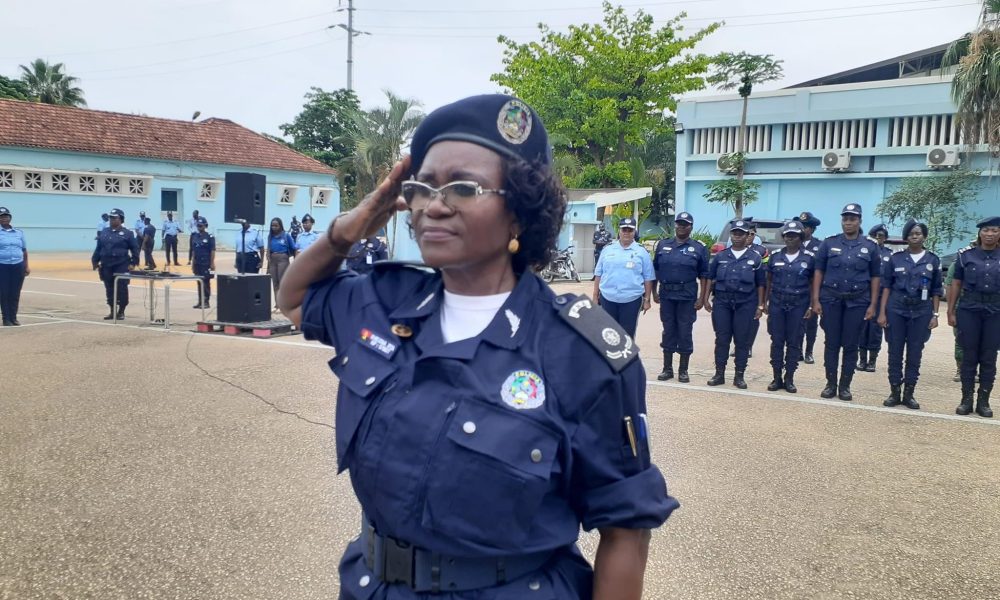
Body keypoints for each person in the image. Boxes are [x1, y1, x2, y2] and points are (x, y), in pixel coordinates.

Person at [276, 94, 676, 600]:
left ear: (519, 214)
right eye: (421, 188)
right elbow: (294, 299)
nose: (433, 205)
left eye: (463, 188)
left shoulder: (579, 352)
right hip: (371, 586)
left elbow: (625, 528)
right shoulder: (386, 299)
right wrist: (350, 227)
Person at [811, 203, 881, 401]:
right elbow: (818, 271)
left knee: (851, 345)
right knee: (831, 343)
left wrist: (873, 305)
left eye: (852, 219)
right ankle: (830, 384)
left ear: (860, 221)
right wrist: (815, 299)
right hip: (831, 299)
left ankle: (845, 386)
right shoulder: (829, 243)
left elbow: (876, 277)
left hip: (857, 301)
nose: (848, 222)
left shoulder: (870, 246)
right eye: (845, 219)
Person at [877, 219, 942, 410]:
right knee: (894, 351)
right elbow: (886, 287)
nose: (915, 236)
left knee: (915, 352)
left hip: (921, 311)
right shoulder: (895, 259)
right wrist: (882, 312)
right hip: (896, 309)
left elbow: (936, 290)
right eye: (911, 234)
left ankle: (909, 393)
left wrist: (935, 315)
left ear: (924, 236)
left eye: (918, 233)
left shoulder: (932, 260)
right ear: (906, 237)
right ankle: (895, 391)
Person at [948, 215, 1000, 418]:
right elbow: (956, 284)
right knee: (969, 356)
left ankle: (983, 401)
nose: (990, 234)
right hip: (969, 309)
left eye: (994, 230)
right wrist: (950, 311)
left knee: (989, 356)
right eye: (986, 230)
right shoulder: (965, 256)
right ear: (979, 233)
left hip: (995, 310)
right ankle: (966, 400)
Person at [703, 219, 765, 389]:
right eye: (735, 233)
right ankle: (719, 374)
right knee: (722, 339)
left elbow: (761, 284)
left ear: (748, 236)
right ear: (731, 235)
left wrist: (760, 306)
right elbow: (709, 278)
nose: (737, 236)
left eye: (741, 234)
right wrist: (705, 299)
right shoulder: (721, 256)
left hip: (745, 304)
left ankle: (739, 376)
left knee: (742, 340)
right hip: (722, 302)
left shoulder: (755, 258)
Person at [652, 211, 708, 383]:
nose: (682, 227)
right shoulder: (663, 245)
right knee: (668, 330)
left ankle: (683, 370)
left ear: (691, 227)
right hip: (667, 295)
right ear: (675, 225)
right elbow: (655, 270)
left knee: (685, 331)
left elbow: (704, 275)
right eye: (679, 224)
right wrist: (654, 292)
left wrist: (702, 298)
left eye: (685, 224)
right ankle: (667, 369)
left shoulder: (699, 248)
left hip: (687, 296)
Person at [764, 220, 816, 393]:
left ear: (800, 237)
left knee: (794, 342)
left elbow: (813, 283)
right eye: (787, 236)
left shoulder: (809, 258)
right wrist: (764, 302)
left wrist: (811, 305)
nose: (790, 239)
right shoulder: (775, 256)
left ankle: (789, 378)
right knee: (777, 341)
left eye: (794, 236)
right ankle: (777, 377)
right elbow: (769, 281)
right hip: (778, 303)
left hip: (798, 304)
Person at [592, 217, 654, 338]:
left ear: (634, 232)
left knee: (627, 336)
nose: (626, 232)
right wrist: (595, 296)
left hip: (631, 300)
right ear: (619, 231)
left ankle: (626, 351)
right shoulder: (607, 249)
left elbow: (648, 277)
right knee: (608, 335)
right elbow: (598, 273)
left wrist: (647, 300)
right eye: (624, 229)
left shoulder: (642, 252)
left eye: (630, 230)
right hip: (608, 298)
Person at [92, 208, 139, 320]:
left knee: (122, 288)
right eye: (111, 218)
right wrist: (95, 261)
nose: (112, 220)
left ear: (121, 219)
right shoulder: (104, 232)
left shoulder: (127, 233)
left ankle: (121, 311)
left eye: (114, 218)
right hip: (106, 265)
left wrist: (133, 263)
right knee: (109, 288)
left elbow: (135, 249)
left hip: (121, 264)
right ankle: (112, 310)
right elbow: (99, 248)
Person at [858, 223, 893, 372]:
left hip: (880, 298)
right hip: (864, 295)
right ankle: (862, 360)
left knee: (876, 329)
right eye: (876, 236)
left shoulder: (890, 255)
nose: (879, 239)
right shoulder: (865, 251)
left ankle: (872, 361)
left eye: (881, 236)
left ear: (885, 238)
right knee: (862, 327)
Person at [793, 211, 823, 363]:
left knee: (811, 321)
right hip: (797, 288)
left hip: (813, 289)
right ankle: (797, 349)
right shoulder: (793, 243)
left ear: (812, 229)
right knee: (797, 321)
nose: (802, 229)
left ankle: (809, 351)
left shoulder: (820, 246)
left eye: (805, 227)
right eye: (800, 226)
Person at [0, 206, 29, 326]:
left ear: (10, 218)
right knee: (4, 292)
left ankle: (13, 317)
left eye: (6, 216)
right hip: (2, 266)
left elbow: (24, 250)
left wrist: (26, 266)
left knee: (15, 292)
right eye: (1, 217)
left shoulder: (19, 233)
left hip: (18, 265)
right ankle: (6, 318)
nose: (4, 219)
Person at [265, 217, 297, 311]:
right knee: (275, 283)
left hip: (283, 259)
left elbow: (294, 248)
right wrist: (268, 264)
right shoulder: (270, 236)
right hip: (273, 260)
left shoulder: (286, 236)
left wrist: (295, 261)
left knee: (282, 282)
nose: (274, 227)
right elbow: (269, 249)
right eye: (272, 225)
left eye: (276, 225)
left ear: (280, 226)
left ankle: (284, 305)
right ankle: (277, 305)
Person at [190, 216, 216, 309]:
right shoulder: (195, 236)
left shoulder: (210, 237)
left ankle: (206, 302)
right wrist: (193, 263)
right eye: (198, 225)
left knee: (205, 282)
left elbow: (212, 250)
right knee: (199, 282)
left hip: (206, 263)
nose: (199, 227)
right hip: (197, 263)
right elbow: (193, 251)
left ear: (205, 226)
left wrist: (212, 263)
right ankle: (200, 301)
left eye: (201, 225)